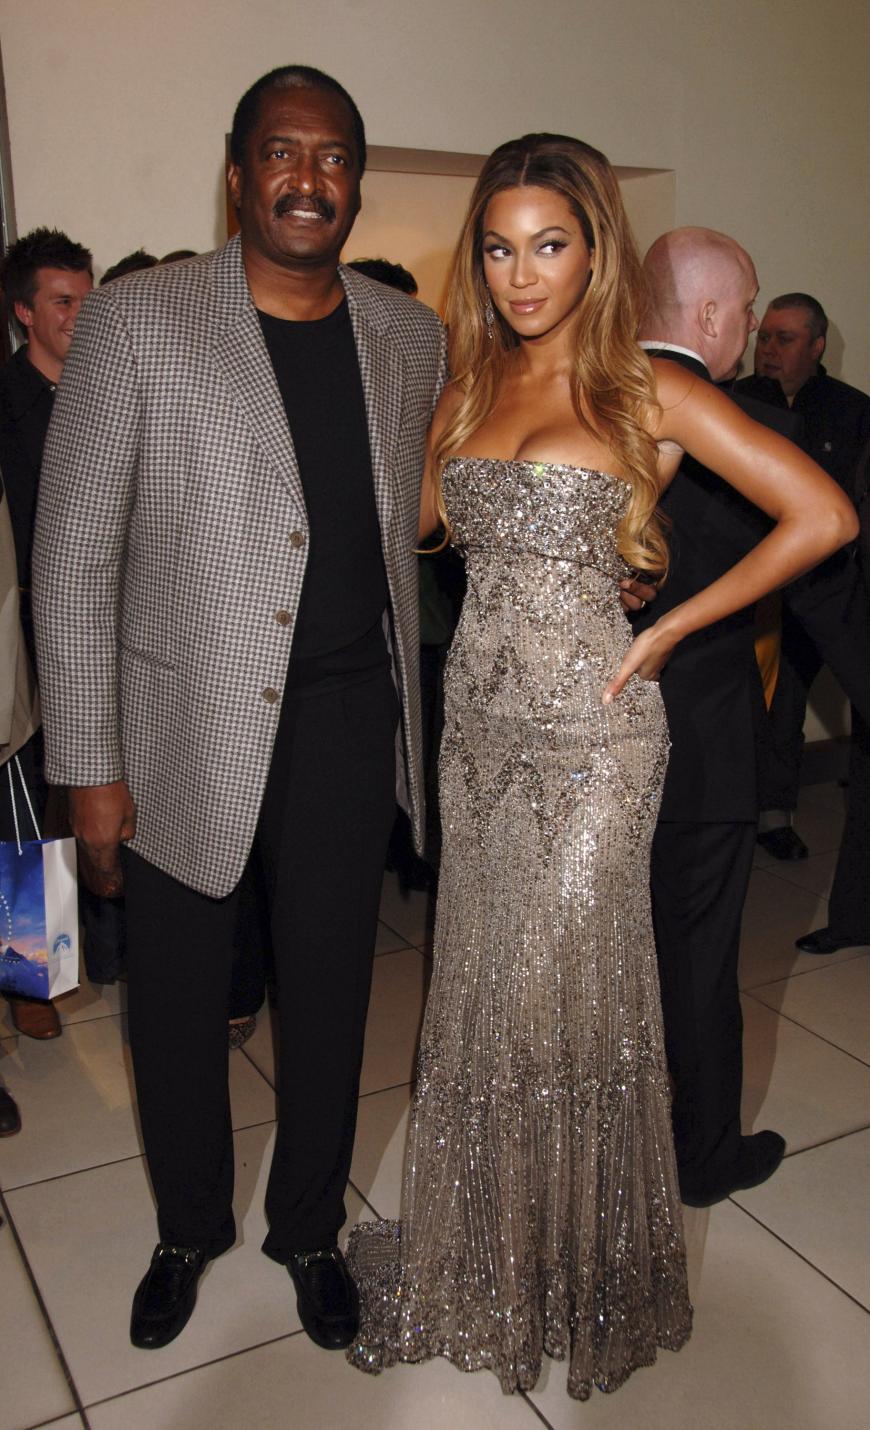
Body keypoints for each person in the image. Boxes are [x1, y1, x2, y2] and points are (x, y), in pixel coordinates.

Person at [345, 134, 856, 1402]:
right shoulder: (466, 386)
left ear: (595, 253)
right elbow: (410, 523)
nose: (522, 274)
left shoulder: (646, 389)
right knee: (483, 989)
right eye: (499, 248)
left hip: (596, 739)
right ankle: (494, 1245)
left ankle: (585, 1263)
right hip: (479, 735)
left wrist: (675, 625)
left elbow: (824, 514)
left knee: (574, 992)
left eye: (550, 245)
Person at [33, 65, 445, 1354]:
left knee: (331, 993)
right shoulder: (137, 320)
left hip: (347, 720)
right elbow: (73, 557)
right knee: (174, 1003)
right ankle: (188, 1226)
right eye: (282, 151)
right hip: (179, 726)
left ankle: (310, 1228)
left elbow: (426, 512)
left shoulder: (408, 334)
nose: (307, 178)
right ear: (237, 172)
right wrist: (90, 765)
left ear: (355, 182)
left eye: (333, 157)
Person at [736, 294, 870, 860]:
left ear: (816, 347)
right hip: (750, 584)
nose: (768, 349)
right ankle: (762, 816)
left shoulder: (853, 411)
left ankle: (790, 812)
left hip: (825, 587)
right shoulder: (733, 401)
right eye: (764, 336)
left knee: (816, 695)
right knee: (766, 703)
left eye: (784, 339)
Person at [0, 227, 94, 1032]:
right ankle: (36, 979)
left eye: (86, 298)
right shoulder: (5, 404)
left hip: (108, 624)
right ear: (25, 312)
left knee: (99, 789)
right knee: (27, 805)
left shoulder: (107, 388)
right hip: (24, 629)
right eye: (63, 302)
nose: (79, 314)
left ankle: (112, 949)